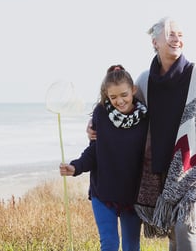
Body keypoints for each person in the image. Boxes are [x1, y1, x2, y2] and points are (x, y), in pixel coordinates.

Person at [87, 17, 196, 250]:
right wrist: (94, 121)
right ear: (155, 42)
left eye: (181, 35)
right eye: (171, 34)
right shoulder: (144, 80)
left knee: (184, 224)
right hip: (162, 171)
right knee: (173, 231)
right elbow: (122, 107)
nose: (177, 39)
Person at [59, 64, 148, 251]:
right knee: (109, 244)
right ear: (106, 95)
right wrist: (75, 167)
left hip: (132, 195)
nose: (120, 101)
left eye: (124, 95)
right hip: (103, 191)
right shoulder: (101, 114)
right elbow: (94, 151)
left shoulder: (145, 119)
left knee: (131, 246)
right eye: (113, 97)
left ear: (133, 90)